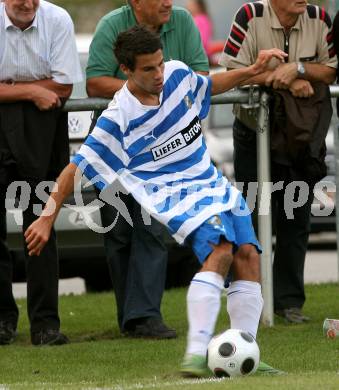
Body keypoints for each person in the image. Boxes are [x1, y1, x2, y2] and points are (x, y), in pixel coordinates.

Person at [24, 25, 286, 375]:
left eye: (160, 64)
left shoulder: (177, 74)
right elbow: (76, 168)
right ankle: (195, 356)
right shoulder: (119, 118)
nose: (159, 74)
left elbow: (207, 86)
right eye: (148, 69)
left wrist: (253, 71)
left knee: (249, 255)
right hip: (171, 195)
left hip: (209, 181)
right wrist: (45, 217)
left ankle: (245, 351)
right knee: (221, 250)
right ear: (127, 70)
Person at [86, 0, 209, 339]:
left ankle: (146, 316)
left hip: (162, 148)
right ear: (135, 3)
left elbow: (200, 76)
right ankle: (132, 319)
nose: (169, 2)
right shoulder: (111, 25)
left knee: (152, 226)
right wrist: (143, 91)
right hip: (116, 142)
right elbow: (94, 83)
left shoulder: (183, 22)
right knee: (119, 231)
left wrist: (161, 93)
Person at [219, 0, 337, 323]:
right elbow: (233, 74)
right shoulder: (248, 15)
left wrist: (298, 68)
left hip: (299, 136)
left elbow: (331, 68)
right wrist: (280, 78)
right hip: (252, 130)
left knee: (295, 217)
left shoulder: (320, 18)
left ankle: (287, 302)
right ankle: (250, 301)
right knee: (251, 217)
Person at [0, 0, 82, 345]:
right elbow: (50, 88)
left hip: (44, 129)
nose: (26, 3)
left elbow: (64, 87)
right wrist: (33, 89)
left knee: (42, 225)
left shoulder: (58, 18)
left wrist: (8, 88)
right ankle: (2, 322)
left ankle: (45, 325)